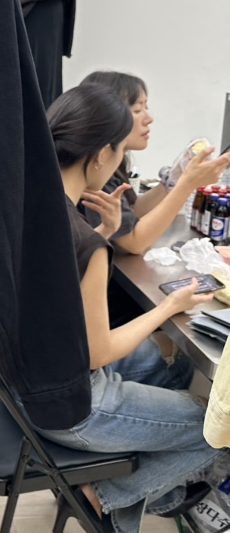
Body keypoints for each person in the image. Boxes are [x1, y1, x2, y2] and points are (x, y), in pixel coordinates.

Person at [40, 83, 230, 532]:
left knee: (173, 365)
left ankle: (158, 491)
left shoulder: (32, 206)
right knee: (216, 429)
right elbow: (98, 353)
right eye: (121, 150)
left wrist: (104, 234)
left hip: (26, 382)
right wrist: (171, 306)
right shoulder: (84, 243)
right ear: (100, 155)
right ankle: (102, 496)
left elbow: (56, 281)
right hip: (69, 406)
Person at [78, 70, 230, 253]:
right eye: (137, 110)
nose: (149, 119)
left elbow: (132, 212)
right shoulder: (97, 168)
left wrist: (172, 181)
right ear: (108, 116)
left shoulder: (114, 161)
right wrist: (187, 184)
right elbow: (134, 242)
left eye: (146, 108)